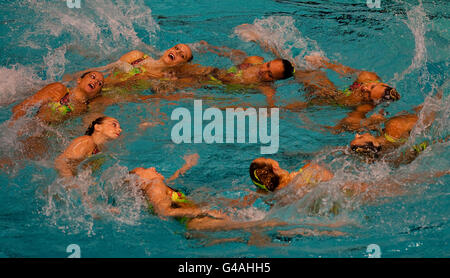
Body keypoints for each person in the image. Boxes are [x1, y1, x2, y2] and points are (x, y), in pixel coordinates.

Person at [234, 23, 400, 116]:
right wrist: (326, 64)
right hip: (327, 91)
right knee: (298, 69)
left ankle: (257, 111)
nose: (365, 88)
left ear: (374, 101)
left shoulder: (365, 107)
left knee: (286, 108)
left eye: (367, 93)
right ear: (381, 83)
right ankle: (262, 42)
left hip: (326, 104)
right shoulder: (367, 77)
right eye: (371, 86)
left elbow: (352, 121)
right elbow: (346, 71)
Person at [129, 165, 287, 231]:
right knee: (260, 225)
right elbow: (164, 211)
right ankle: (307, 226)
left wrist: (185, 166)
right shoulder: (154, 185)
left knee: (252, 228)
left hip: (194, 225)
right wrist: (203, 211)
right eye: (145, 169)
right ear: (142, 182)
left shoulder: (154, 190)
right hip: (197, 221)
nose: (152, 168)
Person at [196, 41, 295, 107]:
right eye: (268, 65)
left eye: (270, 74)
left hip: (217, 87)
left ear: (274, 80)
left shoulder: (266, 87)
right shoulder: (255, 60)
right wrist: (210, 48)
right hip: (217, 73)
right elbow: (234, 57)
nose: (263, 70)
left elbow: (271, 105)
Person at [11, 71, 104, 124]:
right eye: (92, 76)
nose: (95, 81)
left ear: (96, 94)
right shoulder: (58, 89)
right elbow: (21, 107)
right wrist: (14, 130)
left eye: (99, 83)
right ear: (79, 80)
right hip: (31, 127)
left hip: (44, 138)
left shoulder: (83, 108)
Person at [55, 116, 122, 178]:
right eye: (114, 125)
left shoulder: (102, 149)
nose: (120, 130)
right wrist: (70, 183)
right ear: (98, 127)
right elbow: (61, 162)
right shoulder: (85, 142)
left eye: (119, 127)